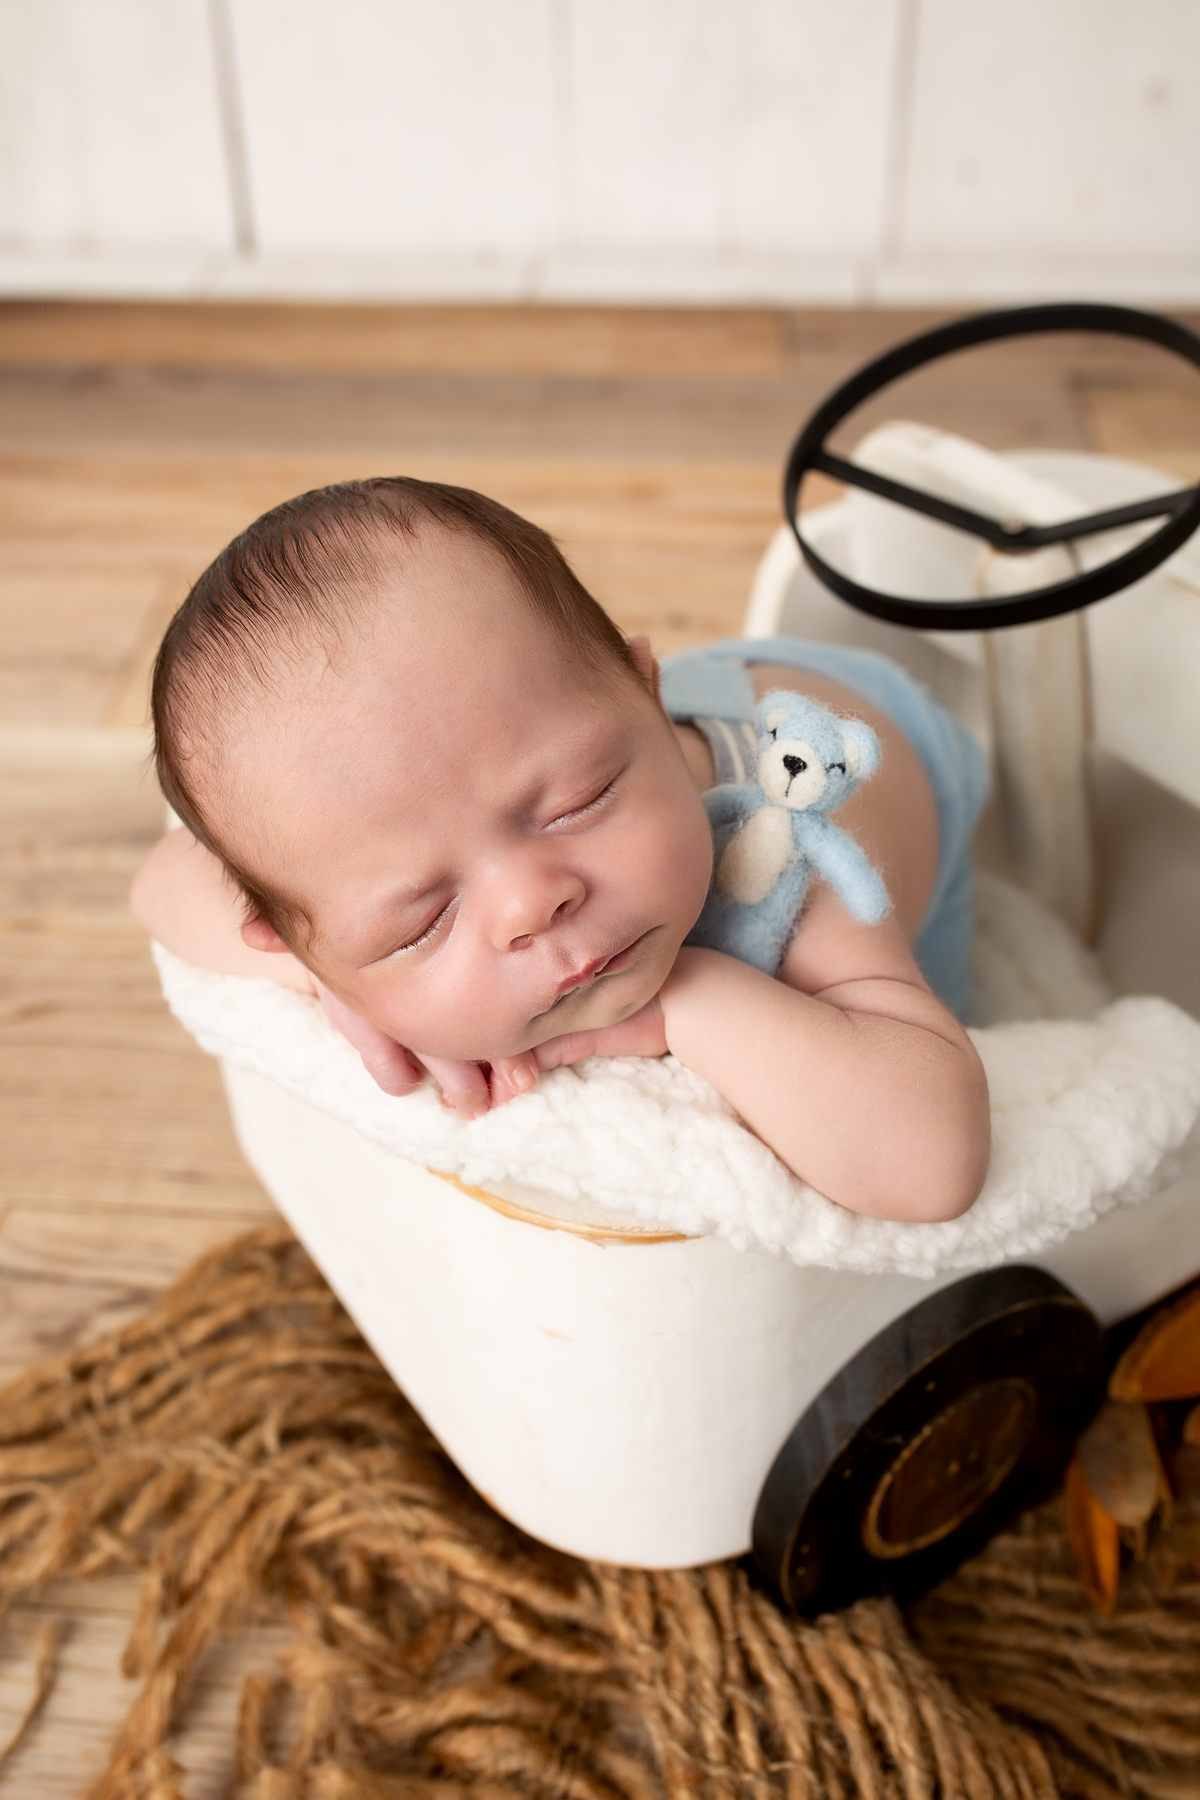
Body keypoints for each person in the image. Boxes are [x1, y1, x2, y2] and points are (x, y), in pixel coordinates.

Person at [131, 477, 990, 1224]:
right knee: (533, 720)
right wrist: (331, 975)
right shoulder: (369, 888)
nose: (529, 904)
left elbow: (933, 1163)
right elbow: (160, 887)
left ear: (648, 698)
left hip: (882, 741)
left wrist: (688, 1000)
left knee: (957, 994)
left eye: (581, 801)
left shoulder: (789, 853)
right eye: (416, 925)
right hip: (561, 711)